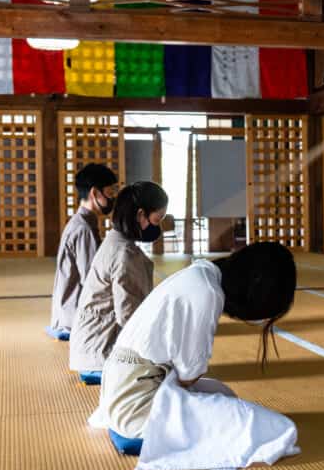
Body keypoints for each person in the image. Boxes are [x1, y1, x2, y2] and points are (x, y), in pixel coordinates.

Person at [98, 242, 297, 440]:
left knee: (223, 394)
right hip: (137, 405)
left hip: (123, 386)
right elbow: (189, 374)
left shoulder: (201, 273)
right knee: (269, 428)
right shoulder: (208, 292)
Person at [69, 181, 168, 376]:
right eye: (158, 220)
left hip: (89, 345)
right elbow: (129, 317)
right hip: (100, 352)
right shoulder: (125, 254)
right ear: (141, 215)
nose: (159, 227)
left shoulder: (115, 240)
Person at [47, 164, 119, 340]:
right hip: (74, 317)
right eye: (110, 193)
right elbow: (92, 280)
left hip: (68, 309)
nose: (113, 199)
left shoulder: (82, 222)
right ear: (95, 193)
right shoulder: (84, 229)